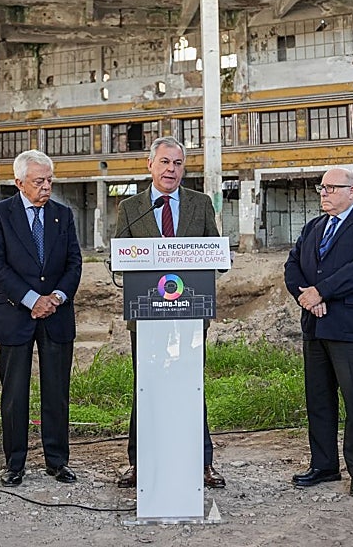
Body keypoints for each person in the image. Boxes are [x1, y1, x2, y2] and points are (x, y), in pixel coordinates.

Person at [114, 135, 225, 490]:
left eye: (177, 163)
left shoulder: (200, 204)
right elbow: (118, 259)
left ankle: (202, 463)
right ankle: (139, 463)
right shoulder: (131, 208)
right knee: (145, 387)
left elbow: (216, 254)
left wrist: (215, 256)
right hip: (146, 316)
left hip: (190, 315)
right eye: (164, 162)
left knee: (191, 386)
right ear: (150, 165)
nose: (171, 170)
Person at [283, 166, 353, 498]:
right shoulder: (314, 227)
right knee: (319, 399)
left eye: (331, 187)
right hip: (316, 324)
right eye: (322, 188)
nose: (324, 193)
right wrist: (307, 297)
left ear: (352, 192)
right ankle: (324, 464)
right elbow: (293, 265)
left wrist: (322, 291)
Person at [0, 149, 83, 487]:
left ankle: (57, 461)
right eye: (39, 181)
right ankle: (15, 463)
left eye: (49, 180)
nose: (46, 187)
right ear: (19, 183)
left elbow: (74, 263)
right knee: (14, 394)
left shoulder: (63, 215)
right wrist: (31, 300)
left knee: (56, 392)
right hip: (15, 314)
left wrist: (56, 298)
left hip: (57, 314)